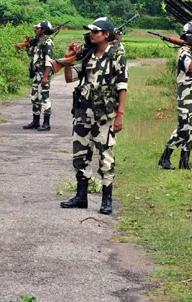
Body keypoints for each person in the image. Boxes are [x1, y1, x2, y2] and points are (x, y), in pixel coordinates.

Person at [60, 17, 128, 215]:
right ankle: (81, 196)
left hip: (104, 116)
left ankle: (107, 200)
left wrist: (120, 115)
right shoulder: (88, 55)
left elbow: (122, 86)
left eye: (96, 31)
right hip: (83, 113)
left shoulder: (116, 56)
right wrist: (67, 59)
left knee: (105, 156)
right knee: (80, 154)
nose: (92, 34)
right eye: (91, 31)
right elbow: (69, 78)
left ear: (106, 34)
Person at [158, 21, 192, 170]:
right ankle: (165, 157)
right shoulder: (184, 51)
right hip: (187, 96)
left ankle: (185, 161)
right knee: (183, 128)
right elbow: (190, 67)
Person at [19, 21, 54, 131]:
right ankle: (36, 121)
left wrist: (45, 76)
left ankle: (46, 123)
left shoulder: (47, 42)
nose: (35, 30)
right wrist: (27, 44)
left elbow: (49, 61)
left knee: (44, 97)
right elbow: (31, 53)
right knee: (35, 97)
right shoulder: (38, 42)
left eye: (38, 28)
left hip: (43, 74)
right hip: (36, 74)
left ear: (43, 30)